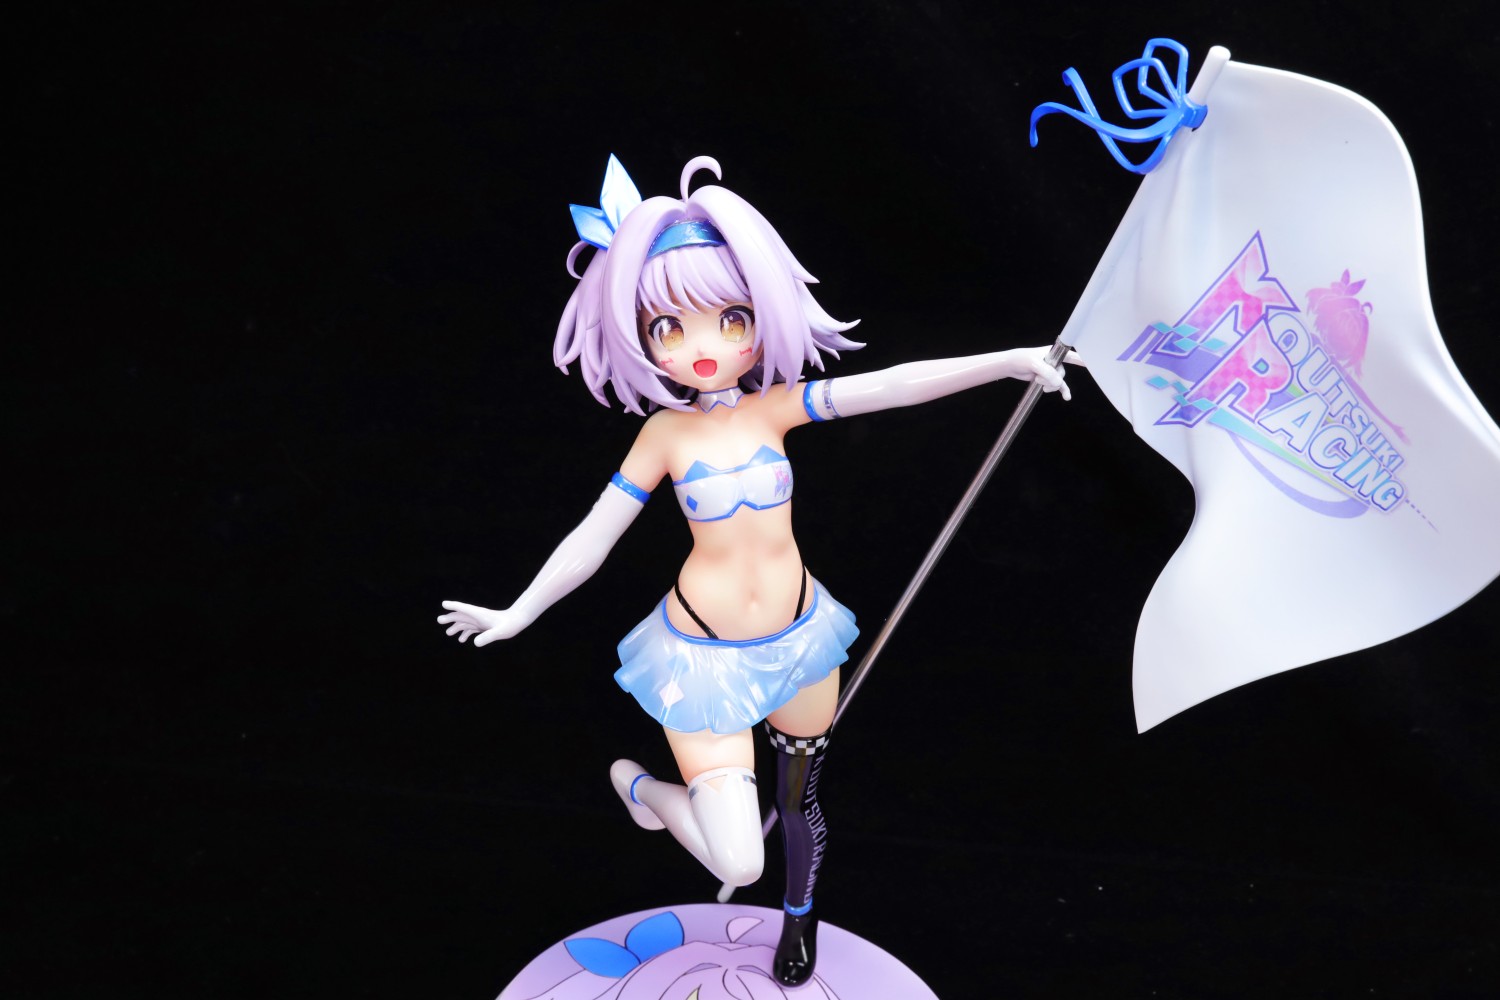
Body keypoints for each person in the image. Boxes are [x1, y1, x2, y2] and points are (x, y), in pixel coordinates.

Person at [438, 154, 1072, 986]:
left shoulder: (777, 407)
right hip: (703, 659)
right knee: (738, 860)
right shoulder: (664, 436)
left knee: (800, 801)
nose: (704, 347)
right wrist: (518, 611)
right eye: (669, 329)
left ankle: (799, 919)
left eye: (729, 318)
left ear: (759, 318)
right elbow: (596, 534)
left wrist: (1008, 360)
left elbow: (892, 387)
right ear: (641, 338)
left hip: (802, 640)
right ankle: (645, 792)